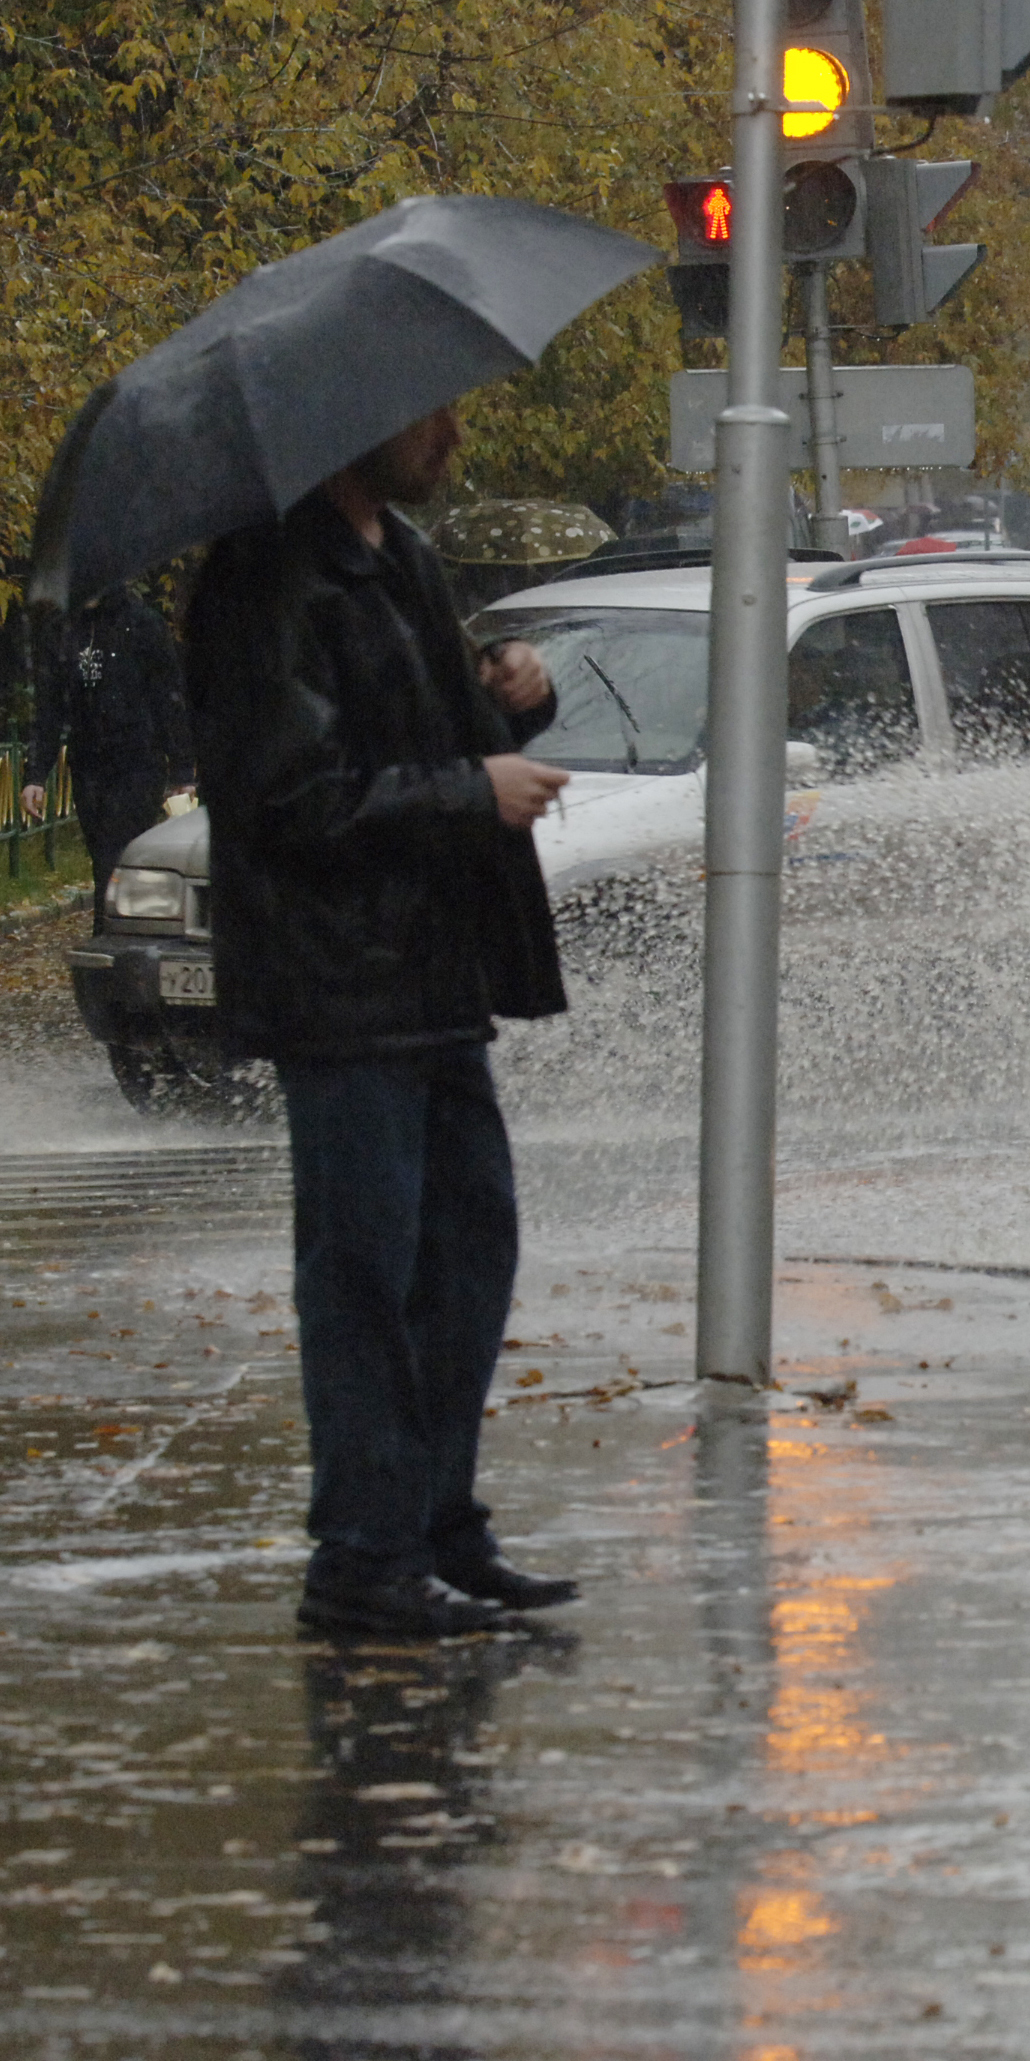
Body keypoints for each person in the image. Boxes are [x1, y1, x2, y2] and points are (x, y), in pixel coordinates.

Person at [185, 402, 582, 1639]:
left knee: (468, 1259)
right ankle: (362, 1558)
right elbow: (289, 798)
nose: (454, 439)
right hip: (341, 987)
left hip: (433, 981)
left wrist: (514, 702)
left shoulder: (400, 556)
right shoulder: (269, 573)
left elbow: (425, 733)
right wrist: (475, 789)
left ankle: (435, 1526)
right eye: (434, 419)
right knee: (364, 1279)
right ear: (362, 421)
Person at [20, 583, 194, 898]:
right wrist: (36, 775)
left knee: (119, 852)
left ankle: (109, 932)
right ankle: (112, 929)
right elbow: (49, 708)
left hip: (138, 760)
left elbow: (168, 699)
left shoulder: (142, 625)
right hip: (88, 763)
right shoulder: (61, 632)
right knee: (102, 856)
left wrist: (182, 768)